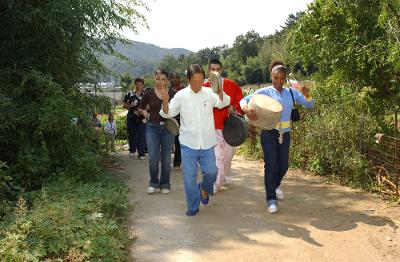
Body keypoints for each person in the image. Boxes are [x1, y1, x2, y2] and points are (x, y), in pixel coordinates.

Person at [240, 60, 315, 213]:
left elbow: (310, 105)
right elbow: (244, 100)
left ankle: (274, 186)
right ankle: (271, 199)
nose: (279, 81)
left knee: (283, 166)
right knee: (271, 165)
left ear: (285, 78)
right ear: (271, 76)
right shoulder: (265, 92)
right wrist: (246, 108)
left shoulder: (292, 92)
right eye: (276, 78)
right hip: (268, 132)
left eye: (282, 78)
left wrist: (307, 94)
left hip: (285, 134)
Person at [160, 64, 231, 216]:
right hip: (188, 144)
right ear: (188, 79)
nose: (198, 85)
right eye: (194, 81)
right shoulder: (181, 96)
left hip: (207, 143)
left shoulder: (208, 93)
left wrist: (219, 91)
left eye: (201, 81)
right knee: (189, 178)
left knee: (212, 172)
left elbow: (223, 103)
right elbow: (168, 113)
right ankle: (193, 206)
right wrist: (165, 102)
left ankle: (204, 187)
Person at [203, 59, 243, 193]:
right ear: (208, 70)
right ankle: (216, 183)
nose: (215, 72)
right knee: (218, 156)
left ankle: (225, 174)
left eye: (217, 69)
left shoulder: (231, 85)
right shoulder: (204, 87)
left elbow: (240, 102)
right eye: (212, 69)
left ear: (222, 70)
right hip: (211, 128)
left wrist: (234, 107)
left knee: (228, 156)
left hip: (229, 128)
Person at [138, 70, 176, 194]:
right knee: (153, 157)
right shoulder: (149, 93)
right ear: (154, 80)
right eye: (158, 79)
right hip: (152, 128)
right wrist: (144, 113)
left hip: (168, 129)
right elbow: (140, 107)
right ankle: (153, 182)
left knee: (166, 158)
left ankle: (165, 184)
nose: (160, 82)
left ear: (168, 81)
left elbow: (178, 110)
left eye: (163, 79)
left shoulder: (172, 93)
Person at [123, 78, 147, 160]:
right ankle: (132, 151)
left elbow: (150, 106)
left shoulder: (146, 94)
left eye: (140, 84)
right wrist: (130, 106)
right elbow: (124, 105)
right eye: (137, 84)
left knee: (142, 136)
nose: (139, 86)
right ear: (135, 84)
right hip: (131, 117)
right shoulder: (129, 94)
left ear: (143, 85)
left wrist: (145, 108)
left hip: (142, 118)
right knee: (132, 134)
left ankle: (141, 154)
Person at [170, 71, 183, 169]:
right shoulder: (167, 91)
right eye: (172, 78)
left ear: (180, 79)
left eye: (176, 78)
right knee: (168, 142)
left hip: (181, 120)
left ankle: (177, 163)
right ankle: (166, 162)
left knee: (178, 142)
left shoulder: (184, 90)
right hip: (169, 120)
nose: (174, 79)